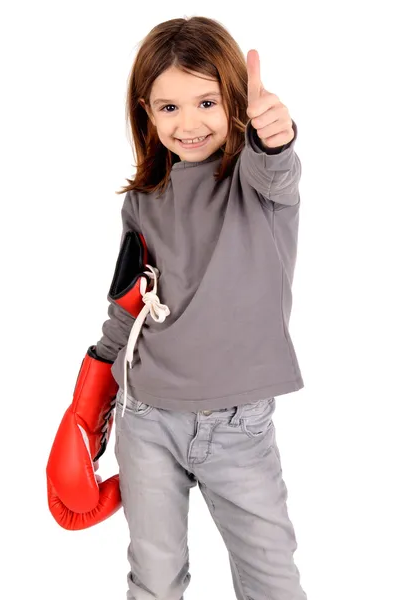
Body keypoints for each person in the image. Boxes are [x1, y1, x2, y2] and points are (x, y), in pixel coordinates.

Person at [95, 15, 308, 600]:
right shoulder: (144, 201)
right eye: (168, 108)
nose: (188, 123)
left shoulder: (257, 181)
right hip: (146, 419)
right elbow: (128, 305)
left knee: (272, 581)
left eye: (207, 101)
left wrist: (276, 135)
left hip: (238, 425)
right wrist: (90, 401)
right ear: (147, 112)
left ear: (235, 100)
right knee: (154, 581)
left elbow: (280, 167)